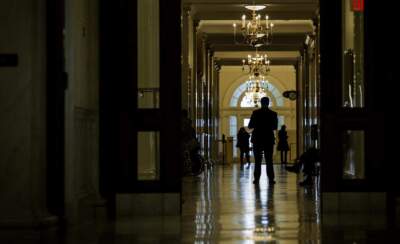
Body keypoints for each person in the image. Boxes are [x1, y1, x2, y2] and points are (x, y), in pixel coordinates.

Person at [248, 97, 278, 185]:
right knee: (269, 160)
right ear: (268, 103)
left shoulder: (255, 113)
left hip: (257, 139)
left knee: (257, 161)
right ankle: (271, 179)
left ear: (261, 103)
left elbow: (250, 126)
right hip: (268, 139)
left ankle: (256, 179)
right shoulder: (273, 114)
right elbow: (274, 127)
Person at [181, 109, 201, 175]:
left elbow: (183, 133)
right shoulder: (189, 124)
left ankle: (187, 169)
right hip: (192, 143)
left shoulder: (183, 123)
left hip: (188, 144)